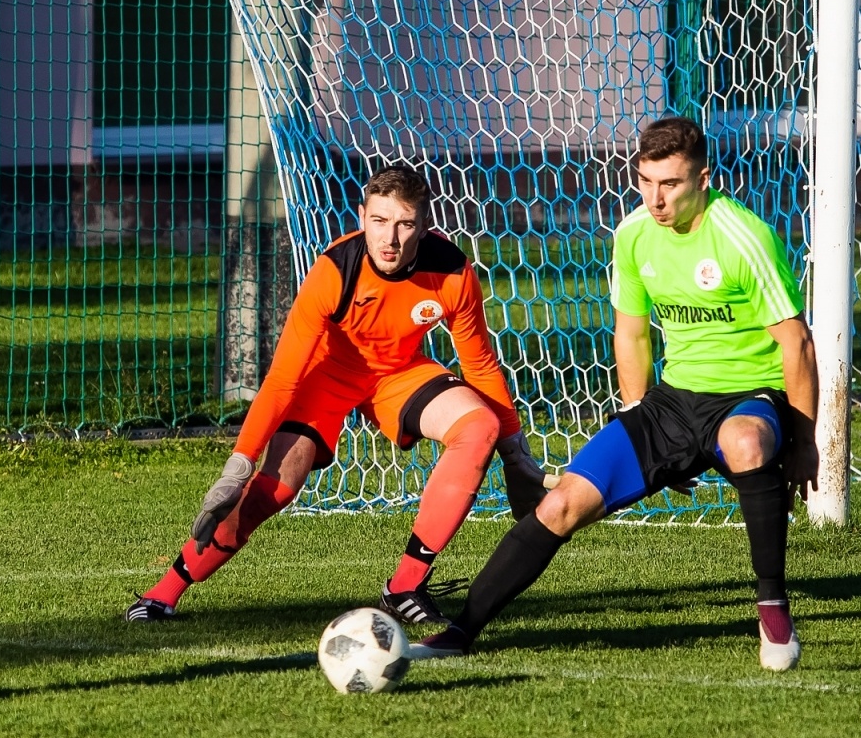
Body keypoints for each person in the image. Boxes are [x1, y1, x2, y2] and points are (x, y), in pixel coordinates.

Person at [419, 116, 818, 670]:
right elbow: (631, 331)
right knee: (559, 504)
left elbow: (796, 344)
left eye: (671, 184)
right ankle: (461, 632)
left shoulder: (742, 237)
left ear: (704, 179)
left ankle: (772, 609)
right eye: (645, 181)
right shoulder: (633, 234)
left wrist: (803, 441)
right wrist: (638, 420)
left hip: (750, 394)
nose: (656, 198)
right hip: (672, 404)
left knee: (746, 442)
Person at [127, 164, 547, 625]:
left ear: (424, 227)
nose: (390, 238)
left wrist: (516, 455)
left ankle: (405, 585)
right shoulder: (334, 270)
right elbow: (284, 377)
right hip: (328, 376)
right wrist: (237, 465)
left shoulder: (451, 270)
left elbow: (480, 364)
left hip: (399, 374)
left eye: (405, 224)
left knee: (479, 427)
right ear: (362, 216)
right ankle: (161, 594)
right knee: (276, 487)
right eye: (380, 221)